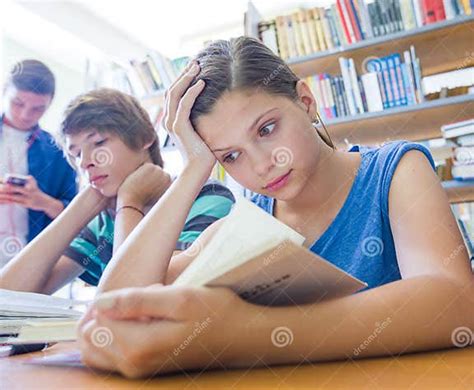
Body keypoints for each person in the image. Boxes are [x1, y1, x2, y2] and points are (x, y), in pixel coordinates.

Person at [77, 37, 473, 378]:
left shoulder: (395, 170)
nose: (262, 164)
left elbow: (456, 302)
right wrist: (193, 170)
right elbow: (116, 304)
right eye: (230, 156)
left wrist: (246, 332)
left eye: (267, 129)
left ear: (305, 102)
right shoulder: (252, 217)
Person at [0, 88, 234, 293]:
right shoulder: (103, 221)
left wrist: (130, 202)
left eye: (99, 143)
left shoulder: (206, 198)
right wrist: (80, 207)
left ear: (145, 138)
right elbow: (7, 297)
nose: (84, 163)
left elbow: (138, 299)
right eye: (77, 153)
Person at [0, 59, 77, 268]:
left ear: (50, 103)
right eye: (18, 103)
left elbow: (77, 217)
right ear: (4, 91)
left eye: (37, 108)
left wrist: (42, 202)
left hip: (29, 263)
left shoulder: (58, 151)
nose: (25, 114)